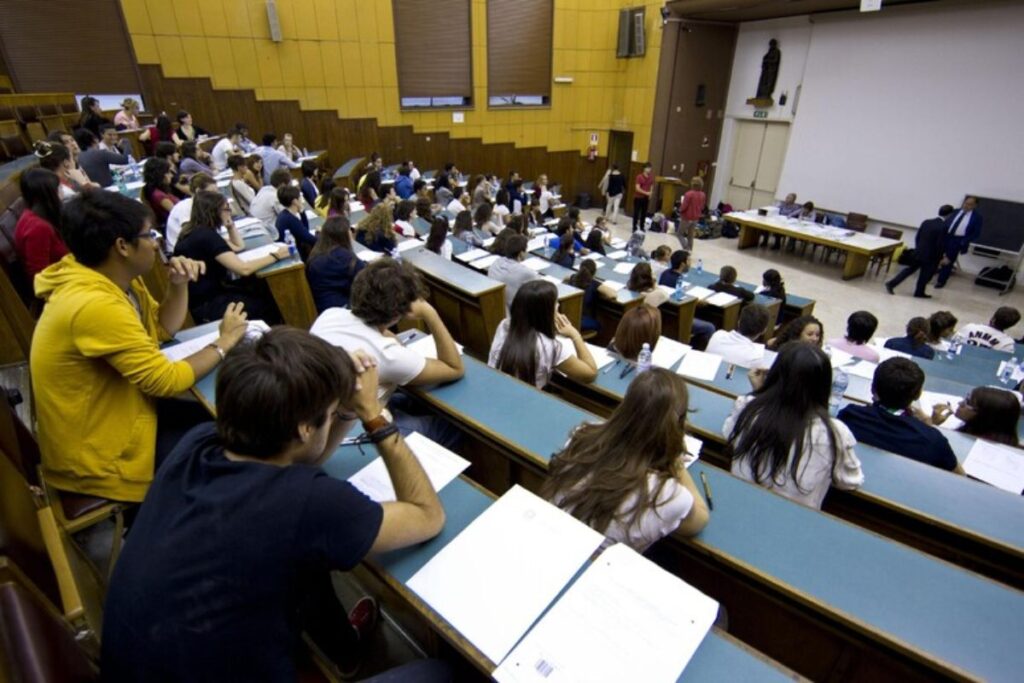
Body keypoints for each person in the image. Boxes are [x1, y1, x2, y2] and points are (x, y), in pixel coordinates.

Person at [101, 328, 450, 682]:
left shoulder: (199, 443)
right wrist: (373, 414)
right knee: (438, 674)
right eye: (328, 415)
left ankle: (344, 649)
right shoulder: (308, 503)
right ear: (302, 429)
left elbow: (303, 458)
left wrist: (338, 404)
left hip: (138, 662)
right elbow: (427, 515)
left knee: (308, 566)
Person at [32, 190, 247, 502]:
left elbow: (161, 329)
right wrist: (224, 342)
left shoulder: (113, 277)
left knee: (225, 417)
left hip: (125, 411)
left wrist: (178, 283)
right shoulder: (92, 303)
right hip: (100, 457)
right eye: (150, 235)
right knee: (232, 440)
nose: (157, 242)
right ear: (122, 246)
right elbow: (164, 381)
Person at [544, 368, 709, 551]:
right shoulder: (668, 495)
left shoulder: (582, 436)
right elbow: (699, 519)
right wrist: (675, 460)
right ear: (677, 425)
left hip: (550, 540)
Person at [311, 259, 464, 445]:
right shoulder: (387, 355)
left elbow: (382, 336)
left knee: (409, 400)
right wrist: (429, 313)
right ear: (399, 312)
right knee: (454, 425)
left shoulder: (331, 314)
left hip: (325, 415)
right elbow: (454, 368)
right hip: (358, 429)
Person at [725, 343, 863, 509]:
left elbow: (728, 434)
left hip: (738, 505)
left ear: (775, 374)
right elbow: (850, 481)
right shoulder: (834, 431)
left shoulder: (747, 406)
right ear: (824, 386)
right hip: (793, 521)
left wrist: (759, 393)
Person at [174, 191, 286, 323]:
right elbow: (243, 269)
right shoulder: (205, 236)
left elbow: (238, 246)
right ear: (215, 211)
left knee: (257, 288)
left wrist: (230, 226)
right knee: (266, 304)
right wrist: (276, 256)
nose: (230, 213)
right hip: (208, 304)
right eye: (226, 209)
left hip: (204, 299)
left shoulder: (195, 230)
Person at [838, 358, 960, 472]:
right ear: (917, 395)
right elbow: (961, 478)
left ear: (872, 388)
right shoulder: (933, 440)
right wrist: (930, 428)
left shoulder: (850, 415)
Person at [488, 280, 598, 388]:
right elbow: (590, 374)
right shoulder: (550, 346)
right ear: (546, 311)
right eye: (555, 303)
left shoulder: (504, 324)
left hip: (495, 388)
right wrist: (574, 334)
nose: (558, 305)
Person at [885, 205, 954, 298]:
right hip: (931, 256)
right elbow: (940, 244)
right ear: (949, 215)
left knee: (909, 270)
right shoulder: (943, 227)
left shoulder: (927, 222)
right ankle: (919, 292)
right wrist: (940, 257)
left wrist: (918, 248)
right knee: (925, 275)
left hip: (919, 252)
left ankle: (891, 284)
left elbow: (918, 237)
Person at [14, 168, 68, 279]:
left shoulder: (35, 214)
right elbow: (39, 275)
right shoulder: (38, 228)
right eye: (59, 189)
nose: (63, 192)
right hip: (61, 284)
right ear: (49, 195)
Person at [305, 216, 366, 313]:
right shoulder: (344, 257)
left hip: (323, 308)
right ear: (344, 234)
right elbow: (365, 276)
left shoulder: (317, 253)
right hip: (343, 309)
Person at [931, 387, 1020, 447]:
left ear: (985, 417)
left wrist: (932, 426)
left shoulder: (966, 446)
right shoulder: (975, 432)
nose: (960, 403)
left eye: (967, 402)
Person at [935, 196, 983, 289]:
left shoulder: (977, 217)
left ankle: (941, 281)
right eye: (965, 203)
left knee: (948, 261)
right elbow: (945, 222)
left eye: (970, 204)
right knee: (936, 256)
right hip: (945, 236)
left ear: (975, 206)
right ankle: (928, 276)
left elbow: (976, 233)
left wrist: (963, 241)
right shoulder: (955, 211)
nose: (966, 206)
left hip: (957, 240)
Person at [165, 173, 218, 252]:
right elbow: (192, 236)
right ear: (198, 191)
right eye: (212, 192)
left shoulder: (203, 205)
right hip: (182, 254)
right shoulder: (185, 207)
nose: (216, 196)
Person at [488, 234, 541, 311]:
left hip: (494, 307)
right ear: (521, 253)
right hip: (514, 312)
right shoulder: (526, 272)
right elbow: (541, 284)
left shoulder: (496, 262)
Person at [250, 168, 294, 235]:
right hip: (269, 231)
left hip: (256, 227)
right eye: (289, 184)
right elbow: (289, 215)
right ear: (282, 185)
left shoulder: (264, 189)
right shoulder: (275, 197)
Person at [142, 157, 179, 230]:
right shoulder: (159, 196)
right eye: (168, 172)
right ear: (161, 174)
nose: (171, 175)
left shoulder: (155, 187)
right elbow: (177, 215)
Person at [566, 259, 600, 333]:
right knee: (600, 325)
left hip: (568, 317)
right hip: (583, 321)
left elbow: (565, 278)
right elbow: (612, 294)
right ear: (595, 272)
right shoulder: (594, 284)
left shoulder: (573, 278)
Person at [678, 176, 706, 248]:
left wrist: (679, 210)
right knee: (690, 235)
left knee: (679, 234)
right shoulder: (703, 195)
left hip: (687, 217)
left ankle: (686, 247)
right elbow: (702, 207)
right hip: (696, 217)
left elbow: (684, 206)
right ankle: (690, 249)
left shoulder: (688, 194)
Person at [632, 163, 654, 232]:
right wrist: (646, 193)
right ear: (644, 168)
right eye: (648, 168)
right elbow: (637, 188)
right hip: (638, 197)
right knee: (636, 212)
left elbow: (651, 186)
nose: (649, 169)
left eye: (650, 168)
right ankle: (634, 227)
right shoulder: (639, 177)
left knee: (644, 213)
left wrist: (650, 193)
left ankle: (642, 226)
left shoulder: (651, 177)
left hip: (646, 198)